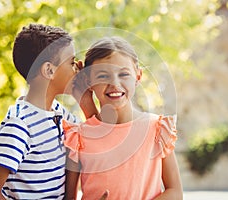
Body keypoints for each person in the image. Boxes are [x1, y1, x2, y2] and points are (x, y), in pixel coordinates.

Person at [0, 24, 96, 200]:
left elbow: (99, 136)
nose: (77, 69)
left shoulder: (59, 113)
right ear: (49, 70)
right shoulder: (19, 124)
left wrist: (85, 100)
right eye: (71, 62)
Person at [63, 36, 183, 200]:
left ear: (138, 76)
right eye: (103, 76)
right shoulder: (79, 137)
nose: (115, 84)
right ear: (88, 81)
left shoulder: (157, 128)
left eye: (124, 74)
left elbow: (175, 192)